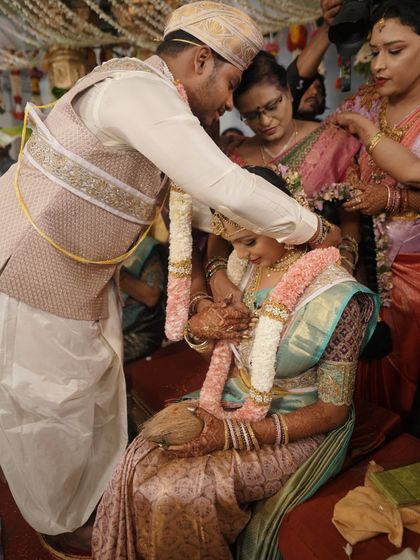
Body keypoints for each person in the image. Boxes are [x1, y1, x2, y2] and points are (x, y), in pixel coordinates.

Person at [0, 1, 340, 549]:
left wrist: (251, 240)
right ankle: (62, 529)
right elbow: (222, 188)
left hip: (84, 275)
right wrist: (315, 231)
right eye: (231, 82)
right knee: (50, 406)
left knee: (94, 390)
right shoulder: (136, 92)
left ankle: (101, 500)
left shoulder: (159, 104)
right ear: (202, 59)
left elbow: (201, 210)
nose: (231, 101)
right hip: (32, 271)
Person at [92, 167, 379, 560]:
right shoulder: (243, 271)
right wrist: (201, 328)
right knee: (141, 458)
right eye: (233, 244)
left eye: (248, 241)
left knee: (173, 492)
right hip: (230, 397)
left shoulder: (337, 296)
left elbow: (333, 410)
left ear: (282, 220)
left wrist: (231, 438)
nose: (240, 254)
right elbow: (222, 353)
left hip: (297, 423)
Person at [333, 0, 420, 421]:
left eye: (396, 51)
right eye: (375, 51)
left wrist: (388, 198)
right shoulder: (368, 102)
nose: (379, 64)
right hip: (369, 274)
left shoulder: (365, 118)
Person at [120, 236, 167, 363]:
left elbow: (151, 296)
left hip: (139, 331)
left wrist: (112, 270)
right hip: (104, 328)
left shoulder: (145, 246)